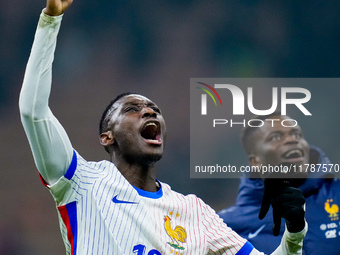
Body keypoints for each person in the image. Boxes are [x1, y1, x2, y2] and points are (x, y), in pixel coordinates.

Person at [19, 0, 307, 254]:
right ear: (107, 137)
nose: (149, 111)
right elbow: (33, 112)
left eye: (155, 110)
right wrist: (50, 20)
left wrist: (295, 234)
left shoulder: (194, 212)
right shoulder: (81, 181)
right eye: (133, 109)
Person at [218, 112, 340, 254]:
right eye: (276, 137)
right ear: (255, 161)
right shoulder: (224, 226)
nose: (292, 140)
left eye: (297, 135)